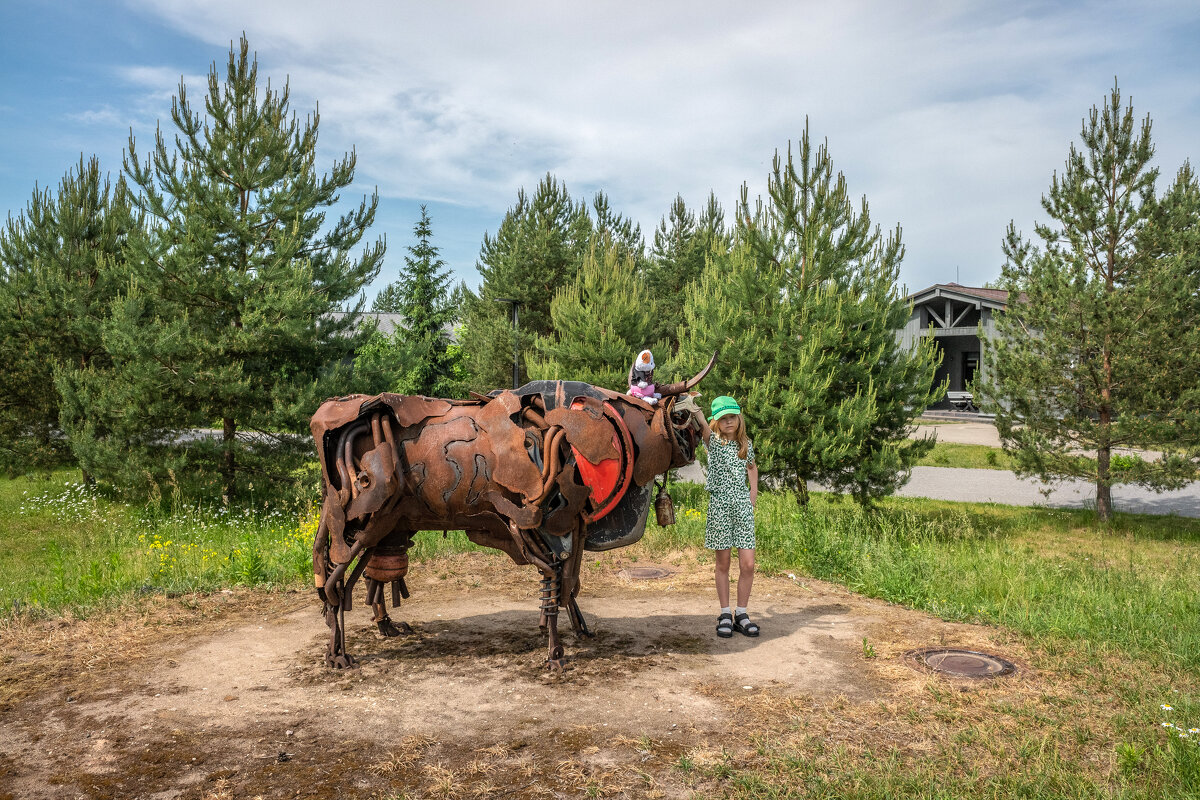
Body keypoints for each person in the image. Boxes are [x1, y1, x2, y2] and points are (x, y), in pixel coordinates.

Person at [701, 395, 759, 638]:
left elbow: (752, 469)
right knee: (723, 563)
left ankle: (741, 614)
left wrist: (752, 499)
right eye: (723, 418)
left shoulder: (746, 444)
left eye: (732, 417)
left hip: (742, 507)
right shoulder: (713, 443)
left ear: (739, 418)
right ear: (716, 421)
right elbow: (702, 424)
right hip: (720, 507)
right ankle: (725, 613)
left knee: (748, 563)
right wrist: (694, 409)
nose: (728, 422)